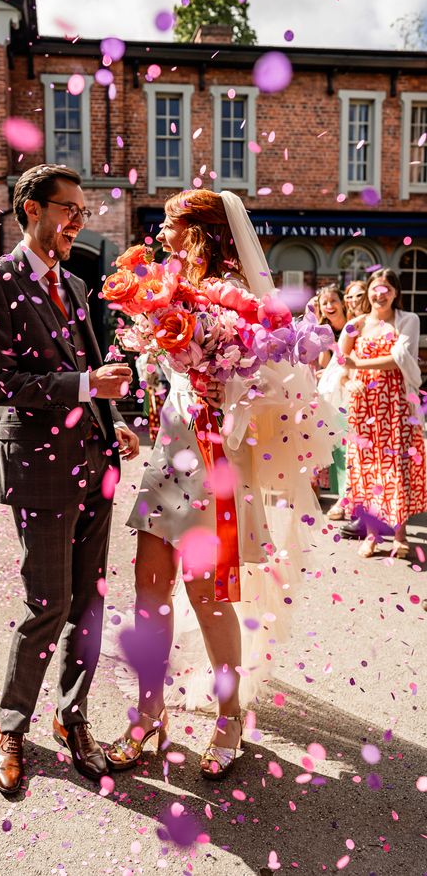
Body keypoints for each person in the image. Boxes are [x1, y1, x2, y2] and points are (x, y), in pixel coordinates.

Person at [105, 190, 334, 780]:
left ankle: (230, 716)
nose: (161, 235)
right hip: (171, 451)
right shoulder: (167, 290)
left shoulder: (236, 296)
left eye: (172, 226)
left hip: (213, 458)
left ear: (201, 231)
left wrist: (225, 385)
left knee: (206, 594)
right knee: (148, 588)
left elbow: (281, 383)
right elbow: (158, 370)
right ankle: (149, 714)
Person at [0, 163, 140, 795]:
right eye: (68, 209)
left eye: (82, 212)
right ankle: (11, 727)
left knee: (89, 605)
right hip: (40, 469)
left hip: (95, 462)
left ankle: (73, 719)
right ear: (31, 209)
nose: (77, 221)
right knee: (49, 605)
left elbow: (90, 364)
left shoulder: (76, 281)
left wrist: (110, 416)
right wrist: (85, 386)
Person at [341, 267, 426, 558]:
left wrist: (357, 367)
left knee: (396, 469)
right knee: (367, 470)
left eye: (386, 289)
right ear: (367, 293)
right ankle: (373, 535)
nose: (380, 295)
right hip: (363, 407)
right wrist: (349, 378)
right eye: (375, 289)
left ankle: (400, 534)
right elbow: (342, 358)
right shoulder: (356, 323)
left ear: (395, 293)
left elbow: (398, 358)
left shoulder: (408, 320)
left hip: (396, 404)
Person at [315, 285, 348, 518]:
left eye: (333, 301)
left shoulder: (352, 326)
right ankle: (343, 497)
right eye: (324, 303)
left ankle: (349, 497)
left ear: (342, 302)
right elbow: (323, 363)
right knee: (337, 447)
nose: (329, 306)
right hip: (330, 395)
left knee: (349, 446)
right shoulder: (326, 329)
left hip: (347, 391)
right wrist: (323, 337)